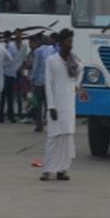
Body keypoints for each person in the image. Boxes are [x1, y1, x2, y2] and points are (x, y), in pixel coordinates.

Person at [41, 29, 79, 181]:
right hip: (56, 106)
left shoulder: (73, 60)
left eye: (71, 41)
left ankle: (62, 170)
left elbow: (80, 73)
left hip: (69, 104)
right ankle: (47, 170)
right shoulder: (51, 60)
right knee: (53, 138)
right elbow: (48, 84)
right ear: (61, 43)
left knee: (67, 138)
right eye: (68, 41)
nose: (70, 45)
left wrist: (77, 83)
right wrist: (51, 106)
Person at [30, 33, 57, 132]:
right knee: (48, 104)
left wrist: (32, 78)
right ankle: (49, 123)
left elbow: (35, 66)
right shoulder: (53, 51)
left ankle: (39, 125)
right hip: (49, 81)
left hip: (39, 81)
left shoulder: (38, 51)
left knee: (38, 104)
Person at [1, 30, 24, 123]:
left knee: (6, 96)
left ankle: (4, 116)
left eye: (5, 37)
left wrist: (3, 65)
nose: (4, 39)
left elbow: (10, 60)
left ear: (8, 38)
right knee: (9, 96)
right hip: (10, 74)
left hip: (8, 74)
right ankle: (10, 116)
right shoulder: (11, 46)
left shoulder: (10, 47)